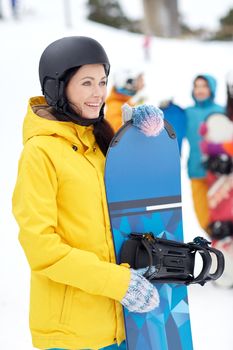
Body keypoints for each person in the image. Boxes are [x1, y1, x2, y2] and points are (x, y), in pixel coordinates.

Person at [12, 36, 159, 350]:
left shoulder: (99, 143)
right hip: (70, 336)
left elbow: (131, 200)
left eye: (103, 82)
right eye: (87, 82)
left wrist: (141, 140)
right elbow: (42, 249)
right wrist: (119, 283)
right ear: (57, 87)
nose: (98, 93)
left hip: (119, 327)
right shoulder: (40, 153)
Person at [185, 74, 225, 231]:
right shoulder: (187, 112)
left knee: (222, 214)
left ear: (212, 89)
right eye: (197, 86)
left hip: (218, 173)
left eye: (204, 86)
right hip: (196, 171)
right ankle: (215, 247)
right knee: (202, 217)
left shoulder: (222, 111)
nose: (200, 90)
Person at [105, 68, 146, 133]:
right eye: (138, 82)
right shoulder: (115, 106)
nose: (143, 85)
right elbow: (118, 133)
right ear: (129, 84)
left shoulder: (125, 103)